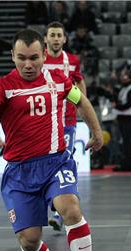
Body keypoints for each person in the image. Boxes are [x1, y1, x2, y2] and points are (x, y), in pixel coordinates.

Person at [0, 29, 104, 251]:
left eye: (34, 58)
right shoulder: (4, 86)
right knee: (29, 242)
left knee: (70, 207)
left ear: (44, 55)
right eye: (21, 58)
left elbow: (82, 102)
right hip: (20, 172)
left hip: (56, 161)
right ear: (12, 56)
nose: (28, 65)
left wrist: (96, 131)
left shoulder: (59, 80)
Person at [43, 21, 86, 232]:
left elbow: (79, 82)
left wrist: (82, 104)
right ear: (46, 39)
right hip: (43, 121)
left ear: (65, 38)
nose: (56, 39)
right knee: (45, 161)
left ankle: (58, 211)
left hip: (66, 121)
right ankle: (48, 202)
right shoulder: (39, 59)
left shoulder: (72, 61)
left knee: (64, 159)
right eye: (52, 35)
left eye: (59, 35)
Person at [112, 71, 131, 161]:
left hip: (129, 116)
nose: (123, 79)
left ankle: (129, 158)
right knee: (124, 139)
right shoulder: (123, 89)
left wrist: (117, 106)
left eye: (126, 78)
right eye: (123, 78)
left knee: (127, 138)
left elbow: (128, 104)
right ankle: (126, 157)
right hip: (122, 116)